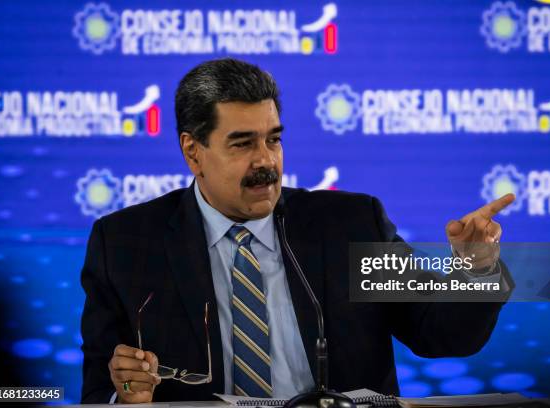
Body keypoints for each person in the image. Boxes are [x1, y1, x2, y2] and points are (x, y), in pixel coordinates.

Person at [80, 58, 514, 404]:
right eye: (243, 143)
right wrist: (126, 400)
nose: (266, 161)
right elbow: (100, 390)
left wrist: (475, 270)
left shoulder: (349, 225)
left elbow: (441, 334)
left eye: (274, 139)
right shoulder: (124, 244)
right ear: (193, 151)